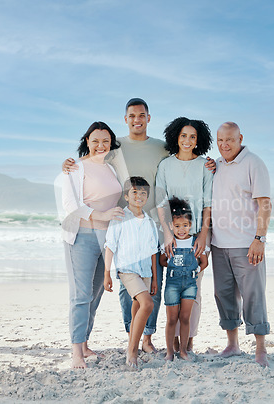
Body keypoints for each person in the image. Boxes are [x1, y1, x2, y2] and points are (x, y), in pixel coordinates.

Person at [63, 98, 216, 352]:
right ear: (126, 119)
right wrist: (69, 163)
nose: (137, 120)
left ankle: (147, 338)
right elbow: (92, 161)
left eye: (142, 115)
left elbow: (185, 154)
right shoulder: (114, 146)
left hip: (155, 224)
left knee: (154, 282)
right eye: (132, 116)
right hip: (124, 223)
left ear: (148, 118)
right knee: (127, 286)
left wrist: (209, 162)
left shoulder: (161, 147)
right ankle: (131, 334)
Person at [60, 121, 125, 369]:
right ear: (87, 141)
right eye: (95, 140)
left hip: (106, 240)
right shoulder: (75, 168)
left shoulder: (112, 168)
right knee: (80, 296)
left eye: (105, 141)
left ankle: (85, 344)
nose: (101, 145)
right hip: (82, 237)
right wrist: (102, 216)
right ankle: (76, 352)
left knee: (95, 295)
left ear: (111, 143)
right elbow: (71, 206)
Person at [211, 121, 272, 367]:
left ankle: (260, 349)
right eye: (220, 140)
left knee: (253, 296)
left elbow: (265, 204)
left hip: (247, 244)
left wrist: (259, 239)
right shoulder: (216, 166)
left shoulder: (253, 163)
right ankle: (233, 344)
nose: (225, 145)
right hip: (218, 244)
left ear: (240, 138)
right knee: (224, 295)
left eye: (230, 140)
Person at [155, 117, 213, 353]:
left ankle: (188, 340)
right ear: (175, 137)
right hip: (172, 234)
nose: (187, 141)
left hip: (196, 234)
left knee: (194, 288)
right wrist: (168, 234)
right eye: (183, 136)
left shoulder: (204, 166)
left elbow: (208, 204)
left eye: (192, 137)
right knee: (173, 286)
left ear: (198, 140)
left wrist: (203, 235)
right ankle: (173, 342)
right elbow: (160, 202)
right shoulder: (166, 165)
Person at [103, 177, 158, 368]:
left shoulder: (150, 222)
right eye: (134, 192)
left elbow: (153, 252)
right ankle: (133, 351)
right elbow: (110, 246)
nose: (139, 196)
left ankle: (130, 347)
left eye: (143, 193)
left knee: (137, 311)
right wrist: (107, 273)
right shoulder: (120, 218)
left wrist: (154, 279)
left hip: (145, 271)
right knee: (147, 304)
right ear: (126, 196)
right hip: (127, 270)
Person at [160, 197, 208, 361]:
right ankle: (169, 352)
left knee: (185, 318)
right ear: (171, 226)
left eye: (185, 226)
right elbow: (162, 260)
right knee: (171, 319)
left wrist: (193, 270)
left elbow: (204, 262)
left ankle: (183, 351)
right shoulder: (169, 243)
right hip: (172, 285)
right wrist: (175, 267)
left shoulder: (195, 242)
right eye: (178, 226)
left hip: (189, 285)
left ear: (191, 225)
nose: (181, 230)